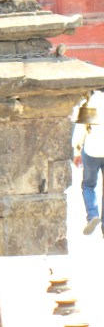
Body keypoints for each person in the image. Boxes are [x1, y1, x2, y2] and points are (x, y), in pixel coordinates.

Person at [73, 90, 104, 236]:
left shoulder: (90, 102)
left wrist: (76, 150)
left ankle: (92, 215)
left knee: (88, 185)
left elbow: (81, 129)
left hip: (92, 150)